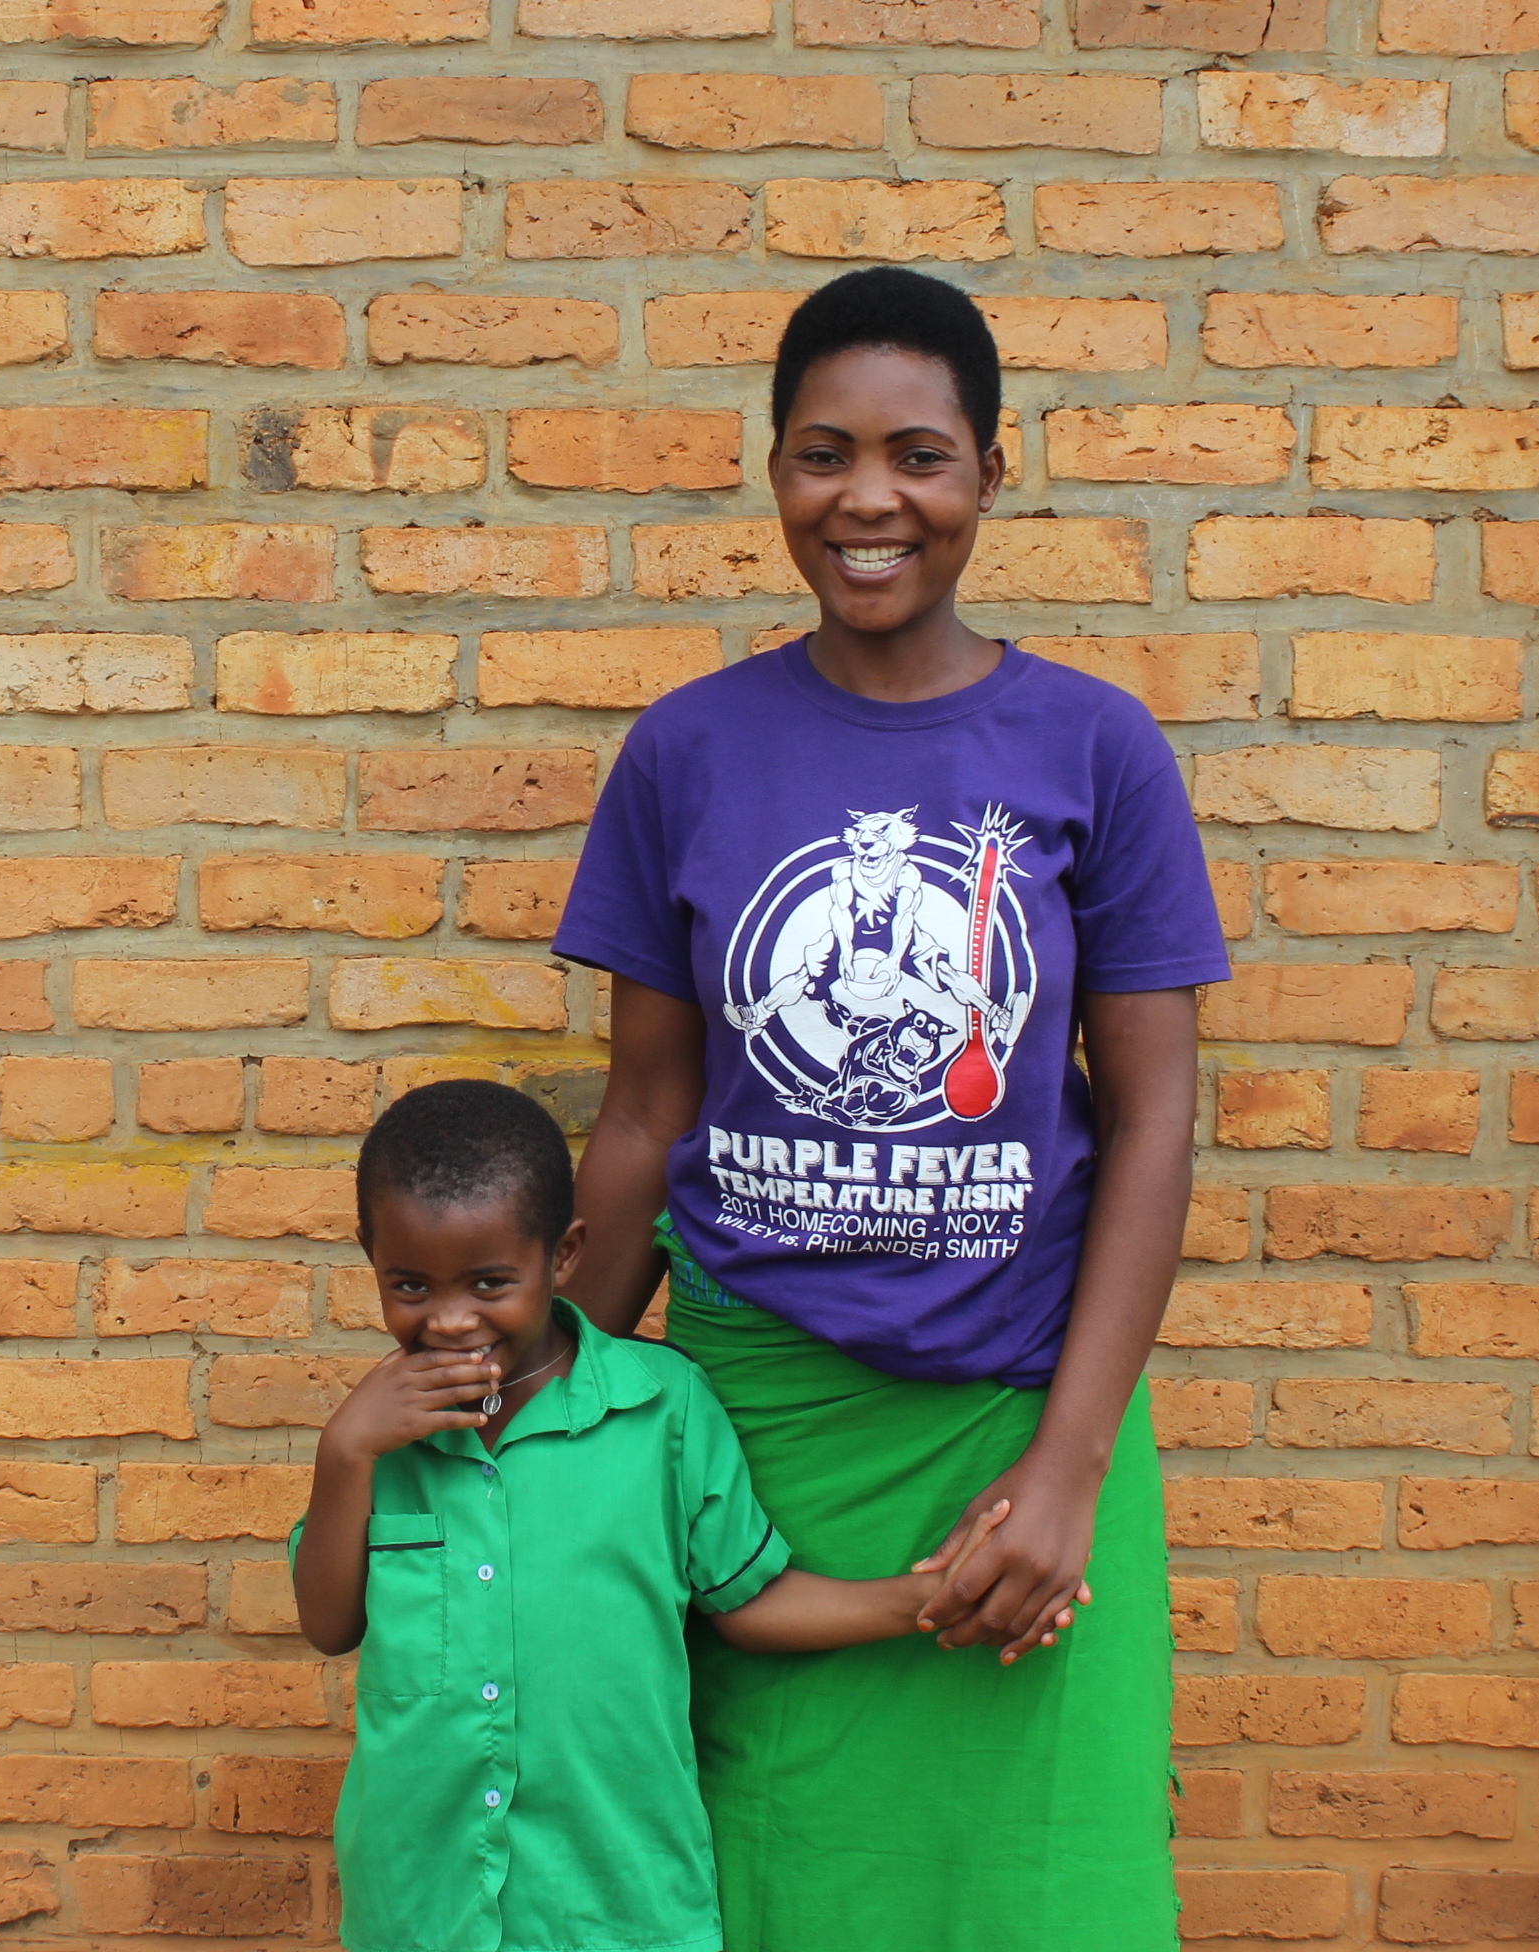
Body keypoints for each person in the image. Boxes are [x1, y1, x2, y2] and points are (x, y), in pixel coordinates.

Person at [554, 267, 1233, 1950]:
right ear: (773, 472)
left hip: (1017, 1435)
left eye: (918, 455)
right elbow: (647, 1113)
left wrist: (1069, 1466)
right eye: (822, 453)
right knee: (776, 1882)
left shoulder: (1095, 751)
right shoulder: (687, 752)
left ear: (992, 471)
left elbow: (1151, 1120)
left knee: (1038, 1899)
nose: (869, 498)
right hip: (760, 1448)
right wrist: (543, 1396)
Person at [295, 1078, 1017, 1952]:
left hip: (617, 1903)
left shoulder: (662, 1410)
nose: (450, 1321)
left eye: (490, 1282)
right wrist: (345, 1454)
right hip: (419, 1902)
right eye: (409, 1285)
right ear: (370, 1259)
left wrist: (922, 1600)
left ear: (562, 1257)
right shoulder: (376, 1440)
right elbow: (330, 1623)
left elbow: (745, 1600)